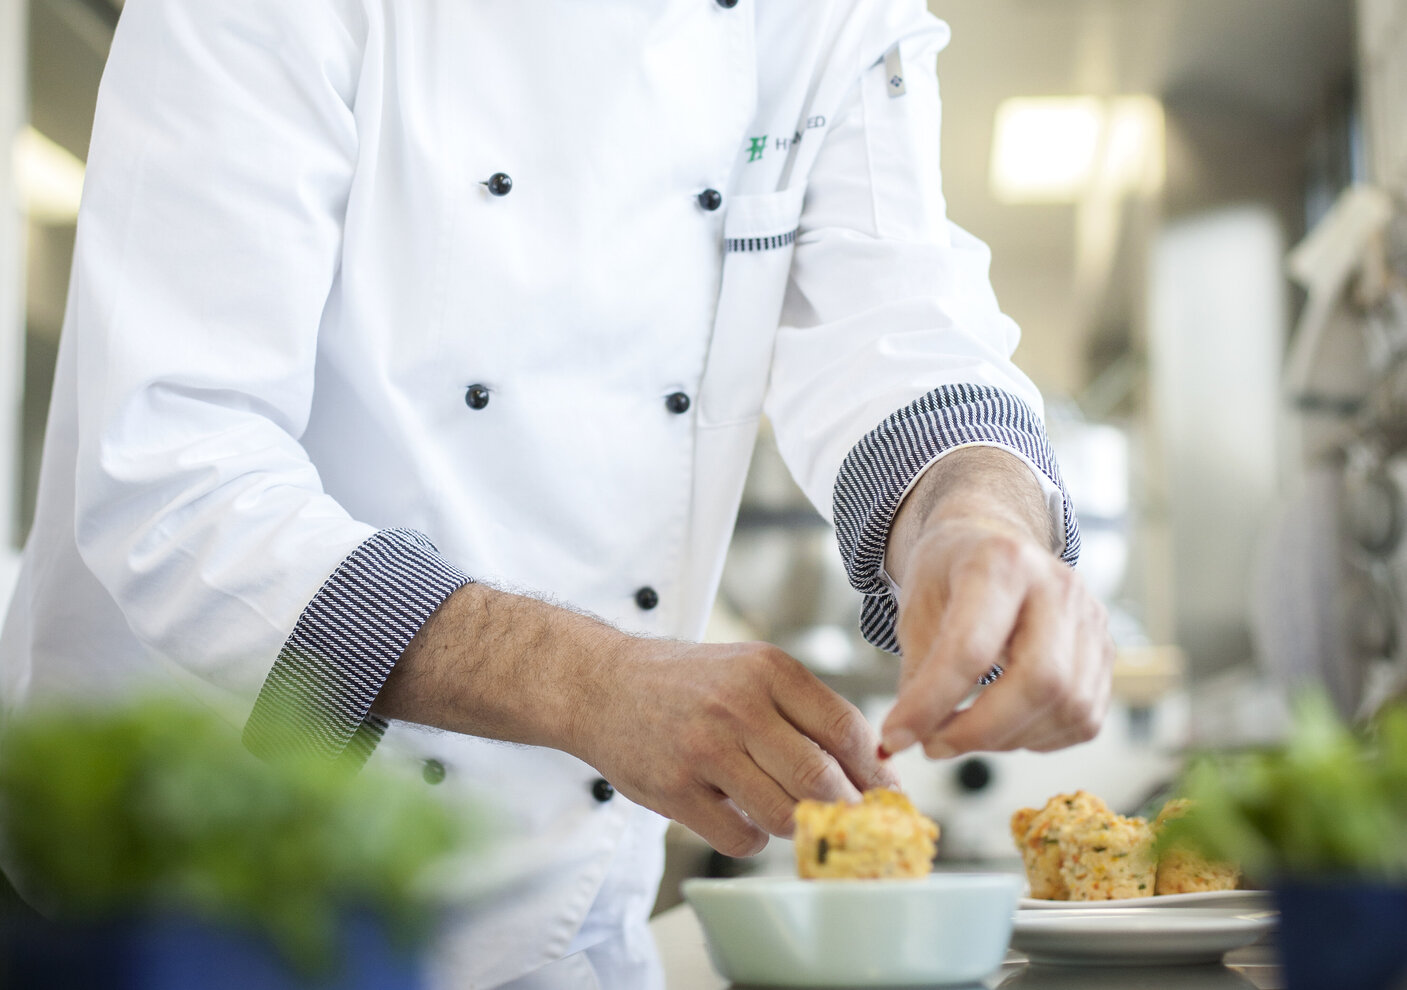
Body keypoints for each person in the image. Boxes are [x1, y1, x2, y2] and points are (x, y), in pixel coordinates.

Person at [0, 0, 1113, 985]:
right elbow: (172, 473)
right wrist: (594, 685)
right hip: (196, 906)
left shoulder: (819, 17)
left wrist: (977, 522)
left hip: (559, 928)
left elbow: (904, 334)